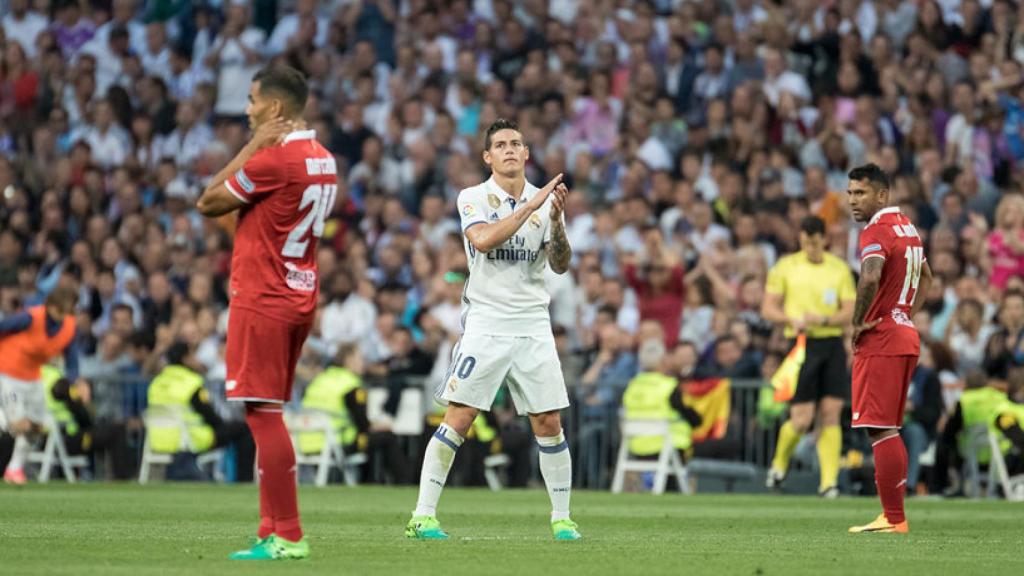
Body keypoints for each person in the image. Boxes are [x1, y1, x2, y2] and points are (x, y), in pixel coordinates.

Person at [405, 118, 579, 541]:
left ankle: (562, 518)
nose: (508, 150)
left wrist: (555, 221)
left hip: (533, 322)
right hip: (487, 321)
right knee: (460, 416)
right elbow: (482, 241)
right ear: (487, 156)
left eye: (516, 143)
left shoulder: (543, 205)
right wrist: (530, 208)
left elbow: (559, 264)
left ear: (526, 154)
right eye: (500, 144)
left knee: (548, 422)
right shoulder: (474, 197)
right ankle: (422, 515)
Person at [196, 65, 336, 560]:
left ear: (274, 108)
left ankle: (290, 535)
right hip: (299, 293)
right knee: (266, 410)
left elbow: (209, 200)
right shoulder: (323, 159)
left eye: (254, 100)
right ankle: (268, 527)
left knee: (263, 416)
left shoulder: (274, 161)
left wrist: (252, 146)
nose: (249, 108)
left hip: (264, 298)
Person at [846, 163, 933, 534]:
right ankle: (892, 516)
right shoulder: (908, 228)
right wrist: (904, 314)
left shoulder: (876, 231)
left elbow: (870, 275)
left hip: (882, 338)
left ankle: (893, 518)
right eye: (850, 193)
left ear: (882, 194)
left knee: (879, 429)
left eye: (860, 193)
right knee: (889, 428)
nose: (852, 200)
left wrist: (858, 320)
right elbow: (926, 277)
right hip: (903, 334)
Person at [761, 215, 856, 498]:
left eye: (816, 242)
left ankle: (829, 483)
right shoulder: (786, 267)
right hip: (800, 344)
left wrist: (826, 320)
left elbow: (849, 310)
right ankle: (779, 464)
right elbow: (769, 308)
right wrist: (792, 318)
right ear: (800, 239)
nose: (812, 247)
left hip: (830, 344)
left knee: (830, 414)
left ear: (824, 239)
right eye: (806, 242)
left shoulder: (839, 269)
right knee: (801, 419)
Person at [0, 286, 79, 485]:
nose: (63, 316)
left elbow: (72, 358)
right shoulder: (29, 318)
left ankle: (14, 469)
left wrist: (74, 380)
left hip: (33, 376)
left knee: (37, 427)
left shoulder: (69, 326)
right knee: (20, 425)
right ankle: (8, 424)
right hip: (8, 372)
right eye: (60, 310)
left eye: (67, 311)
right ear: (50, 307)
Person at [147, 341, 254, 481]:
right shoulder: (191, 383)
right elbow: (211, 418)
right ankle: (244, 480)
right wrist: (224, 424)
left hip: (159, 440)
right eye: (193, 355)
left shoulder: (156, 383)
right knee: (243, 429)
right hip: (188, 440)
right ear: (185, 358)